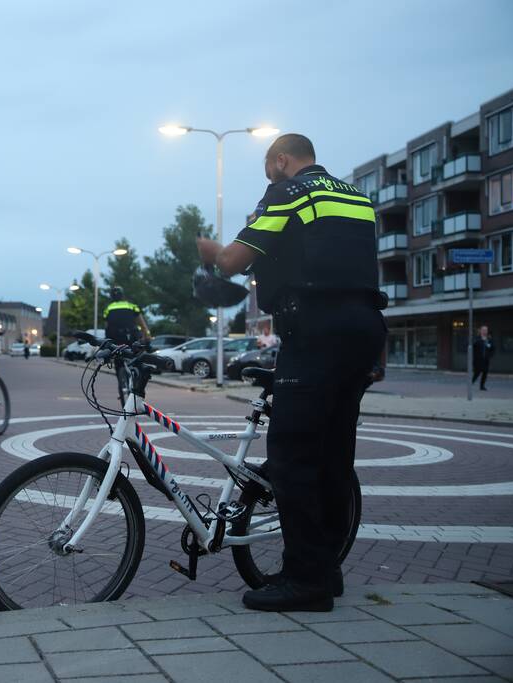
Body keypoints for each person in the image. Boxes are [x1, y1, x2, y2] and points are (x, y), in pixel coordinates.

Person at [196, 133, 387, 612]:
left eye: (268, 167)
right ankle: (326, 569)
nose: (269, 177)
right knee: (333, 456)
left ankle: (306, 581)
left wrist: (210, 251)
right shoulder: (357, 198)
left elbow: (234, 259)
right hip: (363, 329)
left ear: (281, 159)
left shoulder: (289, 192)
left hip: (316, 329)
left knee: (292, 455)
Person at [472, 325, 494, 391]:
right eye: (483, 330)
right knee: (477, 372)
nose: (485, 331)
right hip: (478, 359)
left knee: (485, 373)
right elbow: (473, 345)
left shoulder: (489, 339)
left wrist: (490, 355)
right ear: (481, 331)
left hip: (486, 359)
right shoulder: (477, 338)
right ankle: (471, 383)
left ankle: (482, 386)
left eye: (486, 330)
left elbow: (493, 348)